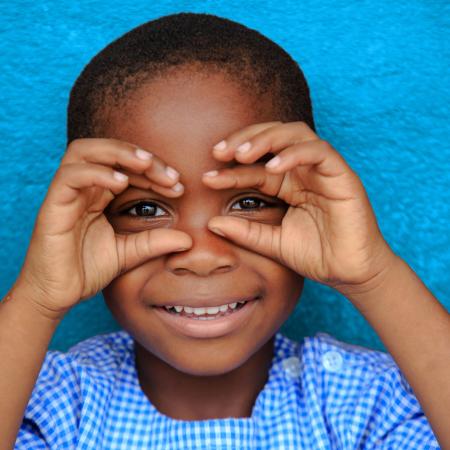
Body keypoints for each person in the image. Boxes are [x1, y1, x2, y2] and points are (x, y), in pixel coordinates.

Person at [1, 12, 448, 450]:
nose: (202, 256)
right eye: (145, 207)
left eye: (250, 203)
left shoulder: (362, 405)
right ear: (88, 223)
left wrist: (372, 275)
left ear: (307, 208)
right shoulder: (54, 404)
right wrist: (40, 296)